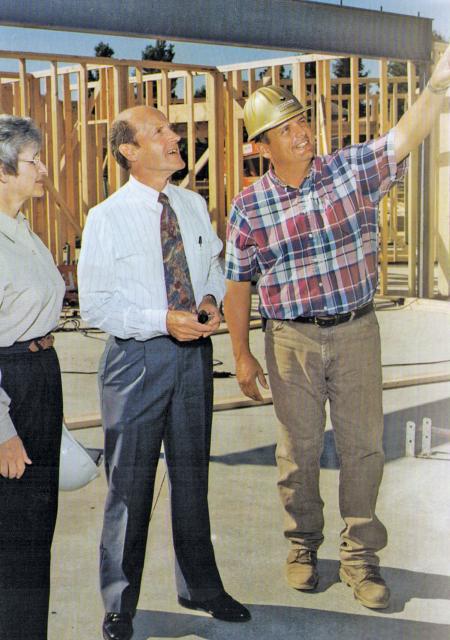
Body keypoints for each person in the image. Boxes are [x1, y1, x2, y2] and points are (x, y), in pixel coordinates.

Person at [224, 46, 450, 610]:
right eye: (285, 127)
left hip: (355, 333)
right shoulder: (249, 207)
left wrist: (438, 88)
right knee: (297, 453)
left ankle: (359, 557)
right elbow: (238, 286)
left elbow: (404, 136)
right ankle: (302, 546)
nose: (301, 132)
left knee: (363, 448)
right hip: (290, 340)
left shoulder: (349, 171)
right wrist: (243, 356)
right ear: (262, 147)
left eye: (302, 120)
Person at [77, 105, 250, 640]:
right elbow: (94, 307)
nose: (176, 138)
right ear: (129, 150)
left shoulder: (192, 205)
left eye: (173, 130)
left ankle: (201, 587)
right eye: (161, 131)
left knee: (192, 477)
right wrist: (161, 320)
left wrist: (207, 297)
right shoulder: (105, 217)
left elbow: (216, 266)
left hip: (194, 357)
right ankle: (119, 603)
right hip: (136, 360)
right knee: (129, 486)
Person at [0, 115, 65, 640]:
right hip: (10, 385)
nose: (44, 169)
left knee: (35, 528)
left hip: (40, 375)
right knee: (14, 534)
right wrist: (1, 427)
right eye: (33, 161)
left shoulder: (22, 229)